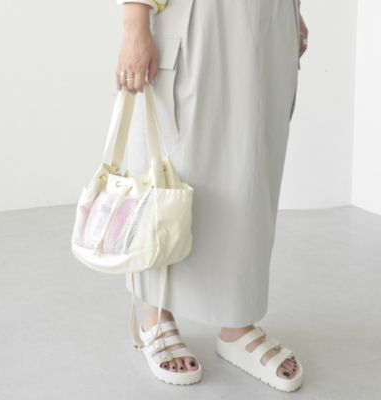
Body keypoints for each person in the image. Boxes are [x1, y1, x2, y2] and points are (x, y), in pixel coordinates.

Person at [115, 0, 308, 391]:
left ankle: (238, 323)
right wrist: (135, 23)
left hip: (270, 20)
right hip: (198, 16)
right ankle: (155, 315)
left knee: (252, 174)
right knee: (172, 168)